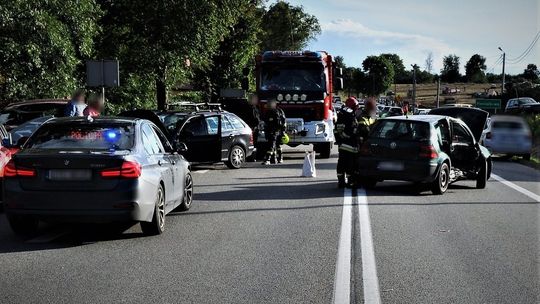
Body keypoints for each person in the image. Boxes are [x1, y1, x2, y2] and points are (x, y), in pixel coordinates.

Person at [334, 97, 360, 188]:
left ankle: (341, 182)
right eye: (356, 106)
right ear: (352, 106)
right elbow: (352, 130)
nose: (357, 108)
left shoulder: (341, 114)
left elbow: (336, 130)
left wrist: (340, 139)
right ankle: (350, 182)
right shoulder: (350, 115)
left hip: (342, 144)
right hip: (350, 144)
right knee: (350, 164)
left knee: (341, 163)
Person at [354, 97, 378, 187]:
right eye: (372, 109)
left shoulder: (373, 115)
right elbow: (362, 130)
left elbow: (376, 125)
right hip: (360, 142)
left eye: (373, 109)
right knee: (357, 162)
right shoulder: (360, 115)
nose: (373, 110)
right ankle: (356, 179)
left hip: (369, 142)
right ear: (367, 108)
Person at [262, 100, 286, 165]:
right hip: (272, 131)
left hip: (275, 131)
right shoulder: (268, 112)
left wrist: (282, 131)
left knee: (272, 145)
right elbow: (266, 122)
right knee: (275, 145)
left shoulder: (277, 112)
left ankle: (268, 159)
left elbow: (281, 123)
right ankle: (275, 159)